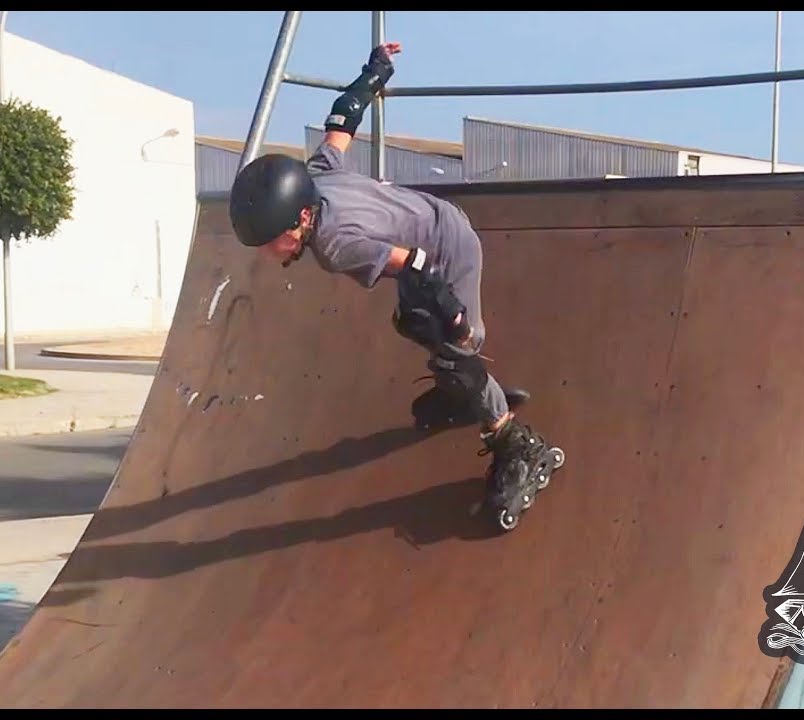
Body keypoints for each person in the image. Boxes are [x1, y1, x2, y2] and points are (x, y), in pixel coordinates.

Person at [227, 41, 558, 503]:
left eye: (270, 242)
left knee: (455, 351)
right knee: (411, 322)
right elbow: (343, 119)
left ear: (301, 220)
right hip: (428, 230)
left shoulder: (337, 244)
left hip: (448, 249)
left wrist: (458, 325)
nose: (267, 254)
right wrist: (376, 70)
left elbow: (419, 268)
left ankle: (513, 440)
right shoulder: (315, 176)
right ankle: (459, 387)